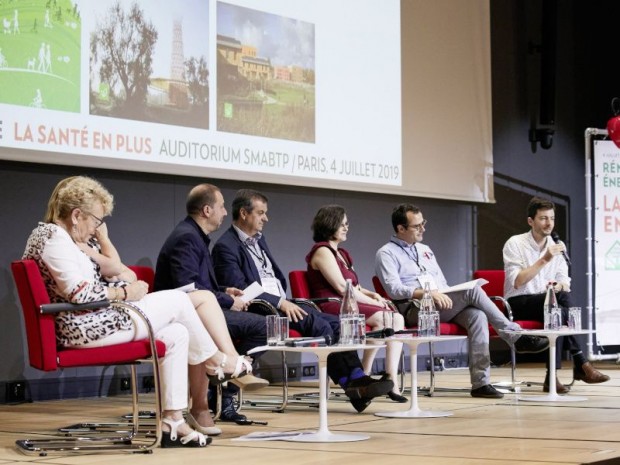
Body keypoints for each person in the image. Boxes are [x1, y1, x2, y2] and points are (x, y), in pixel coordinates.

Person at [23, 176, 252, 447]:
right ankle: (216, 361)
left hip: (100, 318)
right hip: (87, 327)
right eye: (96, 221)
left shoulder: (72, 241)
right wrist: (124, 293)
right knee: (180, 301)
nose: (97, 228)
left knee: (177, 333)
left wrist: (115, 270)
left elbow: (114, 272)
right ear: (76, 215)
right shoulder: (53, 238)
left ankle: (173, 421)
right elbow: (79, 294)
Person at [212, 189, 394, 413]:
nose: (265, 218)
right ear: (243, 213)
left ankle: (356, 379)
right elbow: (241, 291)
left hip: (279, 302)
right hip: (259, 308)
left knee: (336, 323)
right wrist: (280, 303)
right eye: (260, 213)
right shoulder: (226, 247)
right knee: (320, 325)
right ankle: (354, 385)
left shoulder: (259, 240)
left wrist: (284, 301)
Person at [375, 203, 550, 399]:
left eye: (423, 223)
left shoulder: (425, 249)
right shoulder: (386, 253)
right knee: (472, 291)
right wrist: (427, 293)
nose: (423, 228)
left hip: (439, 304)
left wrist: (446, 293)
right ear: (400, 228)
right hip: (414, 310)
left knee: (477, 316)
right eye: (417, 226)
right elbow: (394, 290)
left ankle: (480, 383)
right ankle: (513, 335)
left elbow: (441, 282)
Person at [154, 183, 269, 423]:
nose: (226, 212)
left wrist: (224, 291)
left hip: (200, 309)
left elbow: (199, 286)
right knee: (263, 326)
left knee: (266, 324)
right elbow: (186, 289)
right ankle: (228, 377)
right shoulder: (187, 238)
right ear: (207, 210)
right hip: (182, 315)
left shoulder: (196, 236)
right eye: (222, 207)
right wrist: (228, 300)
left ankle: (224, 376)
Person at [503, 196, 609, 393]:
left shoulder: (557, 245)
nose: (549, 223)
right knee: (556, 309)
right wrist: (545, 259)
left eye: (551, 218)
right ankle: (579, 363)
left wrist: (558, 286)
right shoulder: (515, 243)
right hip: (519, 302)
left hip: (548, 302)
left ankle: (555, 376)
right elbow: (517, 281)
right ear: (530, 221)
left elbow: (564, 281)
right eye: (543, 218)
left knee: (559, 307)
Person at [306, 205, 407, 403]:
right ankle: (365, 373)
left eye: (347, 224)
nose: (346, 228)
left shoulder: (343, 253)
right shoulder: (322, 251)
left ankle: (389, 377)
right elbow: (343, 288)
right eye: (342, 224)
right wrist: (375, 303)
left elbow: (356, 286)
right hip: (332, 305)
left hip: (349, 303)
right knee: (386, 317)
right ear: (330, 224)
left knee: (395, 318)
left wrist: (374, 295)